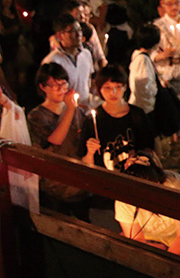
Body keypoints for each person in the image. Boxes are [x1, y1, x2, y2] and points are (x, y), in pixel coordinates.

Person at [27, 63, 90, 220]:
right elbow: (55, 140)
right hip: (54, 183)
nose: (61, 89)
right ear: (43, 87)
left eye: (63, 84)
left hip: (79, 180)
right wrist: (69, 109)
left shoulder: (78, 110)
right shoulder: (37, 116)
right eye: (55, 85)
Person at [114, 150, 180, 261]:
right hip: (150, 238)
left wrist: (165, 260)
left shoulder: (175, 186)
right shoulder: (124, 196)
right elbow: (137, 240)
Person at [78, 65, 155, 168]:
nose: (113, 93)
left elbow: (149, 150)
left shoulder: (137, 115)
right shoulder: (92, 120)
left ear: (125, 87)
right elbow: (85, 163)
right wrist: (90, 152)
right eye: (107, 87)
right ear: (99, 89)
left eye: (118, 87)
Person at [41, 12, 93, 102]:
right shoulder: (53, 61)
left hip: (85, 109)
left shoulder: (86, 54)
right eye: (73, 31)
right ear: (60, 35)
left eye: (79, 30)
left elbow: (89, 80)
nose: (78, 35)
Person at [128, 24, 161, 130]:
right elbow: (143, 85)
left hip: (141, 107)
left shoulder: (139, 56)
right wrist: (156, 89)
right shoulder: (142, 60)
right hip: (142, 108)